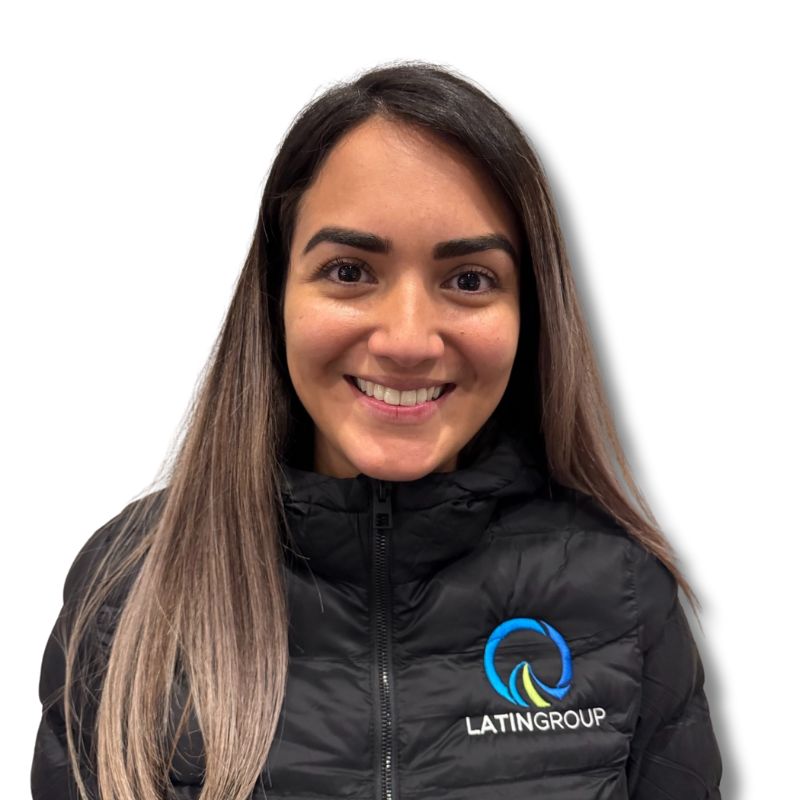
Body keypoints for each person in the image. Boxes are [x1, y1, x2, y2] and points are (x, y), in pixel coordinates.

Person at [31, 61, 723, 800]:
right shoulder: (134, 589)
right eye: (351, 271)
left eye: (468, 280)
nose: (407, 338)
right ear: (275, 295)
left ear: (531, 313)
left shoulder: (617, 592)